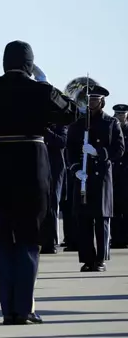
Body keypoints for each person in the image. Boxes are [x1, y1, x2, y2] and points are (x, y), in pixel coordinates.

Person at [0, 40, 79, 325]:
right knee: (29, 240)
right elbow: (73, 113)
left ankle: (8, 309)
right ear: (30, 63)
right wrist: (48, 87)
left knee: (2, 241)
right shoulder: (41, 90)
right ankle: (24, 308)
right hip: (32, 169)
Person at [67, 85, 124, 272]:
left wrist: (98, 152)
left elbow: (119, 149)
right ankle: (87, 258)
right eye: (89, 100)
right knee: (83, 220)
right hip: (83, 176)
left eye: (95, 100)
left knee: (101, 220)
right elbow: (71, 151)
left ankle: (100, 259)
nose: (91, 103)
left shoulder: (110, 123)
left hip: (101, 177)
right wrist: (76, 169)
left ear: (102, 102)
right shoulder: (78, 124)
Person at [40, 123, 68, 254]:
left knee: (51, 204)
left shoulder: (60, 126)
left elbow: (62, 141)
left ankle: (50, 243)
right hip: (39, 166)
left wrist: (47, 132)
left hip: (54, 169)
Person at [110, 104, 128, 248]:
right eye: (118, 114)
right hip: (114, 172)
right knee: (114, 207)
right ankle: (116, 238)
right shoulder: (112, 129)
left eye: (123, 114)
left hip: (126, 173)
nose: (120, 116)